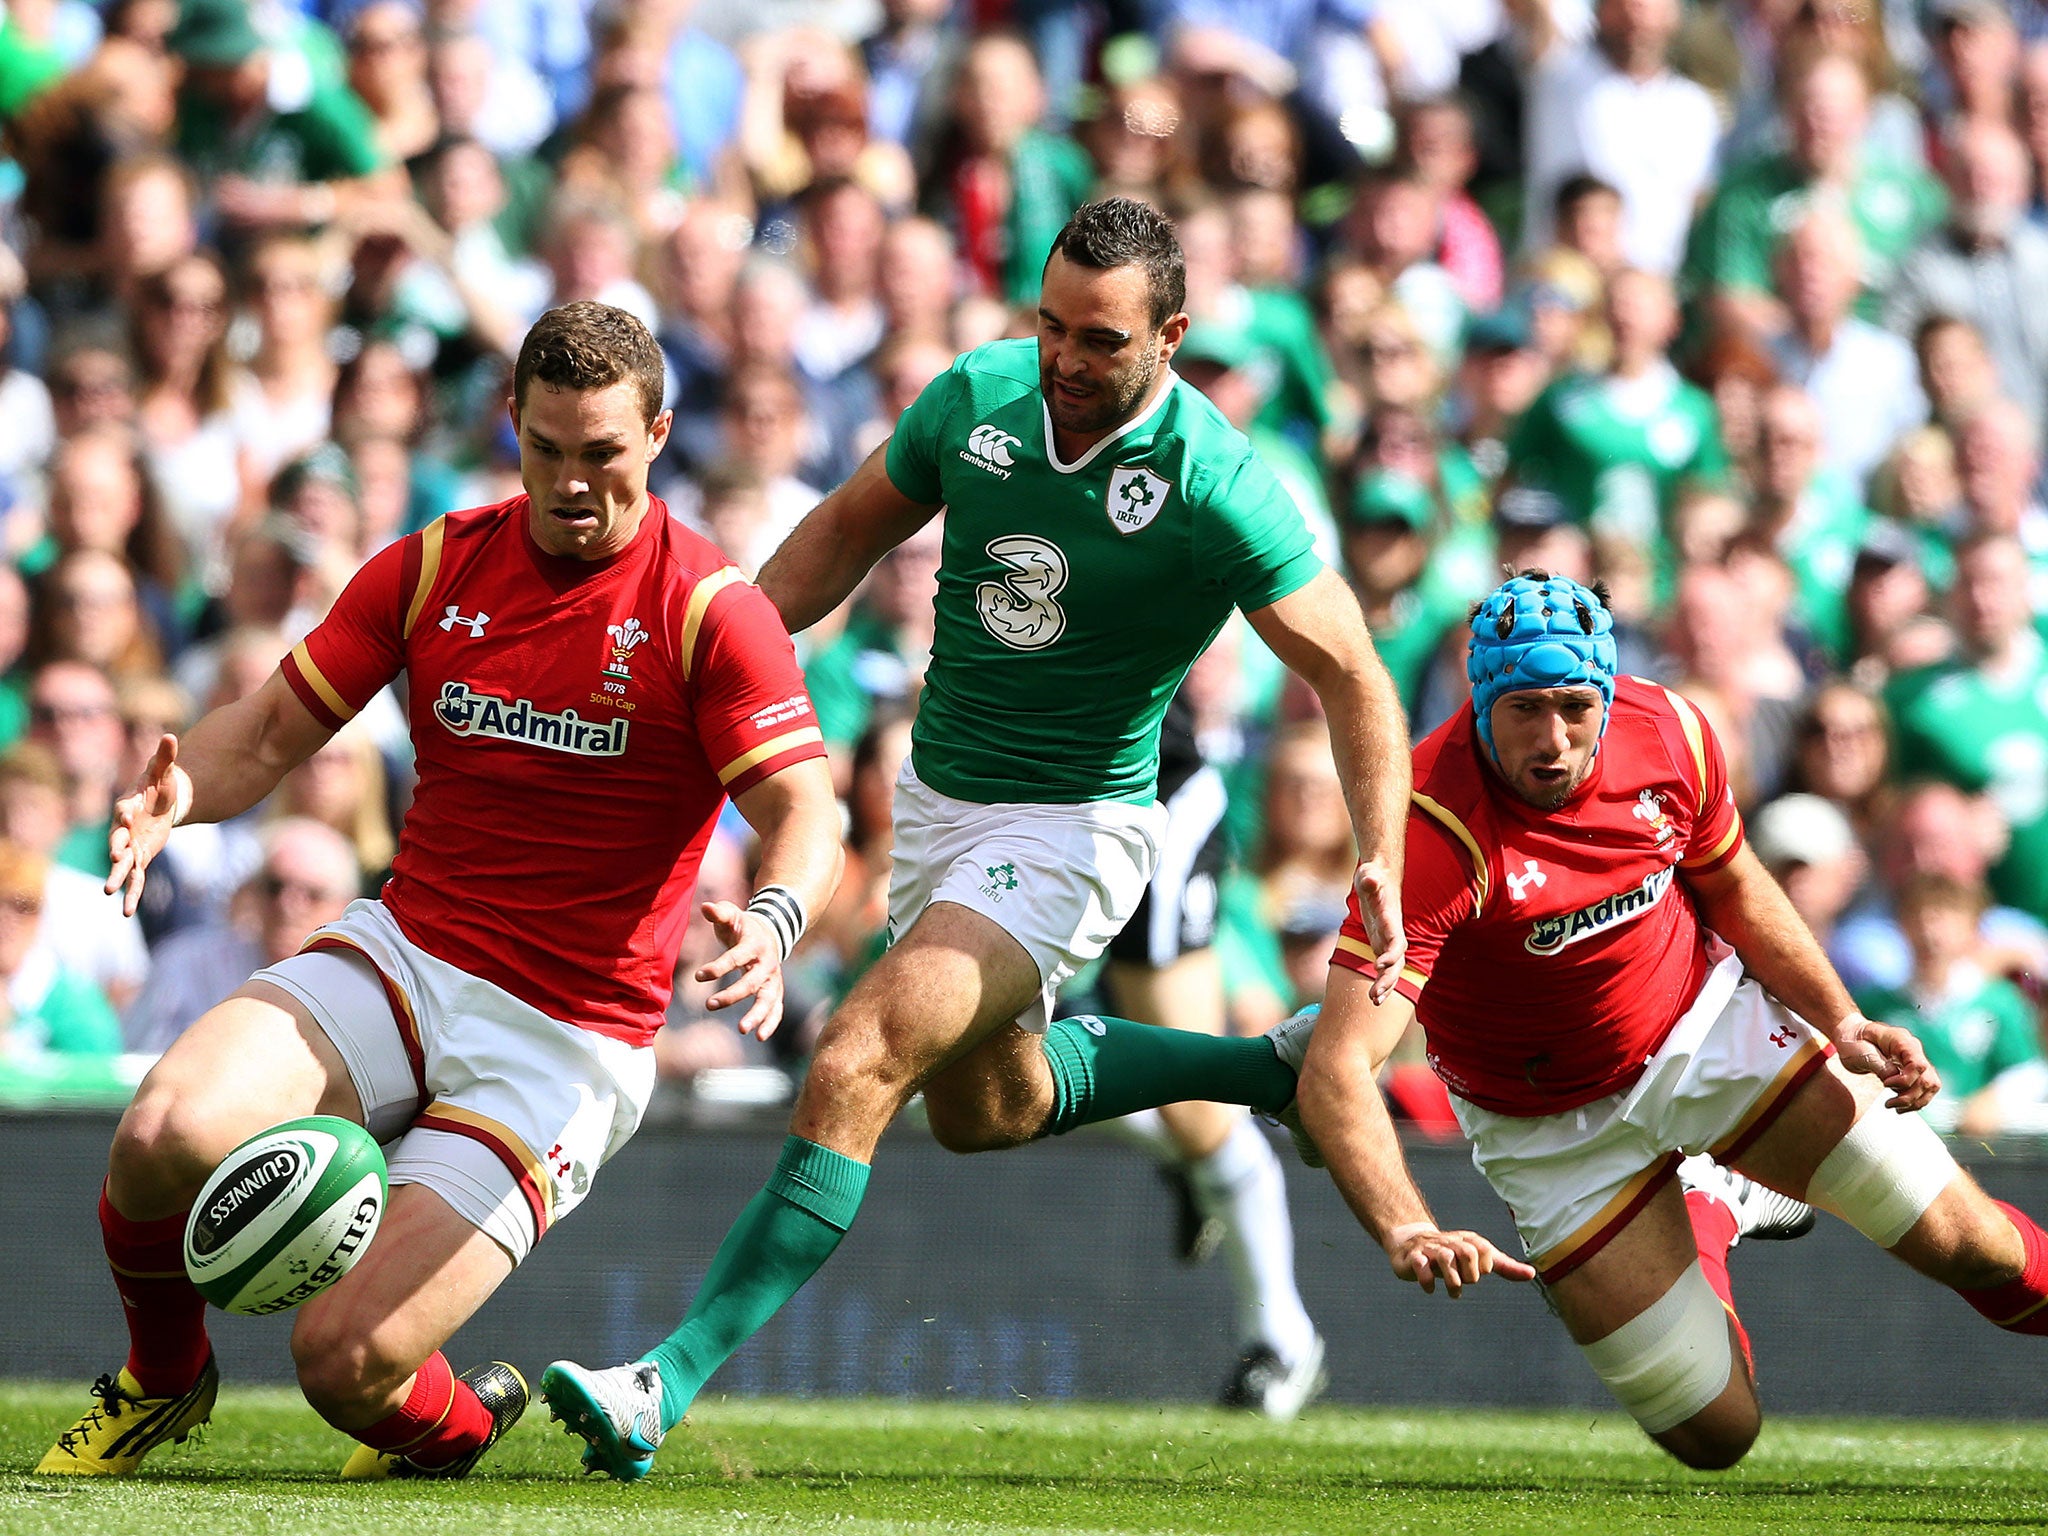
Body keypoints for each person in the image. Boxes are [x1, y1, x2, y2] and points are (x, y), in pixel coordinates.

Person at [541, 197, 1421, 1477]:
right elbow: (846, 531)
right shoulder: (978, 397)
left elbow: (1353, 676)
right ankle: (1267, 1074)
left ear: (1170, 337)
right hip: (940, 810)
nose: (1063, 358)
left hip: (1076, 825)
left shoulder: (1214, 483)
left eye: (1102, 341)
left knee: (855, 1052)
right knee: (983, 1107)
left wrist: (1377, 857)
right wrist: (706, 678)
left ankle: (658, 1385)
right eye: (1050, 323)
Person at [37, 302, 843, 1480]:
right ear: (511, 424)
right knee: (162, 1134)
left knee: (342, 1363)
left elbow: (805, 810)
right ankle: (162, 1378)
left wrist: (775, 919)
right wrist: (177, 798)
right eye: (547, 449)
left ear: (659, 435)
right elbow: (264, 733)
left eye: (603, 454)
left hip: (562, 1040)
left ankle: (462, 1425)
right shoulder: (434, 564)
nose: (572, 484)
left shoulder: (711, 610)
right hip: (408, 955)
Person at [1289, 569, 2048, 1472]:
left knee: (1976, 1248)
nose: (1553, 738)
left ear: (1608, 696)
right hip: (1548, 1128)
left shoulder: (1673, 732)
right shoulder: (1429, 830)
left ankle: (1719, 1183)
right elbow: (1336, 1069)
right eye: (1523, 708)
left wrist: (1839, 1021)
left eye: (1575, 705)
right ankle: (1710, 1206)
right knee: (1717, 1435)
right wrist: (1406, 1227)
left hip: (1706, 1031)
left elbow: (1734, 885)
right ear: (1477, 702)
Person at [1101, 693, 1326, 1418]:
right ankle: (1179, 1153)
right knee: (947, 1079)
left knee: (1196, 1112)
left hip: (1143, 794)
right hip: (1023, 794)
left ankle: (1282, 1338)